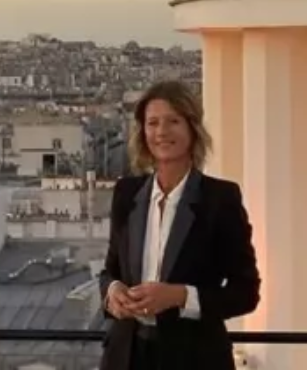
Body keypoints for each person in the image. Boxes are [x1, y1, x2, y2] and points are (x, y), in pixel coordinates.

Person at [98, 81, 260, 370]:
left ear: (192, 129)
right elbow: (110, 271)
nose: (161, 132)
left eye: (173, 121)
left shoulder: (219, 199)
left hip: (194, 357)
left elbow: (245, 293)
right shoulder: (126, 194)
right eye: (153, 123)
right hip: (127, 357)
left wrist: (180, 296)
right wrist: (113, 292)